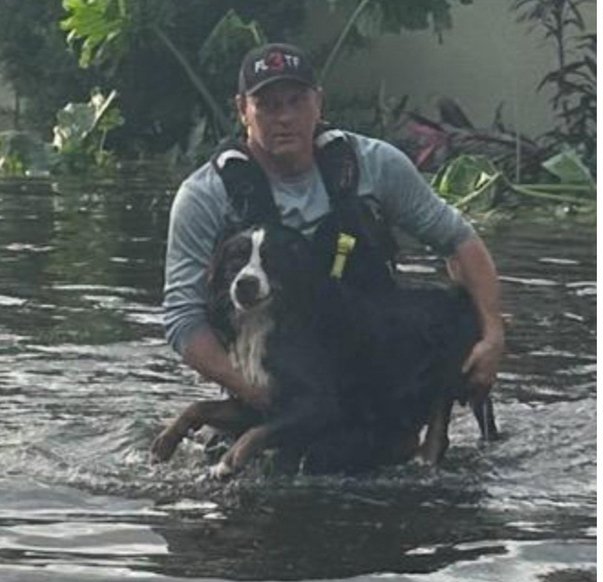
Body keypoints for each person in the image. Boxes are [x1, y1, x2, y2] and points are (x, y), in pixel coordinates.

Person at [162, 43, 504, 412]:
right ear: (243, 109)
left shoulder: (376, 164)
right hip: (265, 375)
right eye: (268, 105)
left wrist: (492, 334)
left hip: (371, 358)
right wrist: (263, 395)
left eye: (296, 102)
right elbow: (183, 318)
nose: (285, 117)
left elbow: (459, 241)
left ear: (319, 103)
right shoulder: (204, 196)